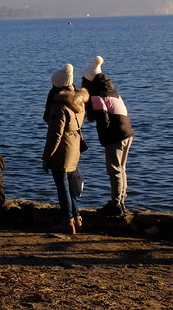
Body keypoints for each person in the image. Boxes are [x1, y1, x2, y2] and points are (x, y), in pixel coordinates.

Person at [81, 56, 135, 216]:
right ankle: (121, 201)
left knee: (114, 170)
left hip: (115, 135)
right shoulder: (113, 92)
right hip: (127, 133)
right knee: (121, 169)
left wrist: (104, 140)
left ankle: (116, 205)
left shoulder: (97, 96)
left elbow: (102, 120)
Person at [42, 63, 89, 234]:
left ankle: (67, 222)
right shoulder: (79, 102)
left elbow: (55, 135)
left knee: (63, 190)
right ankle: (77, 218)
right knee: (70, 188)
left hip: (62, 151)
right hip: (74, 148)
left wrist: (46, 157)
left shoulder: (59, 106)